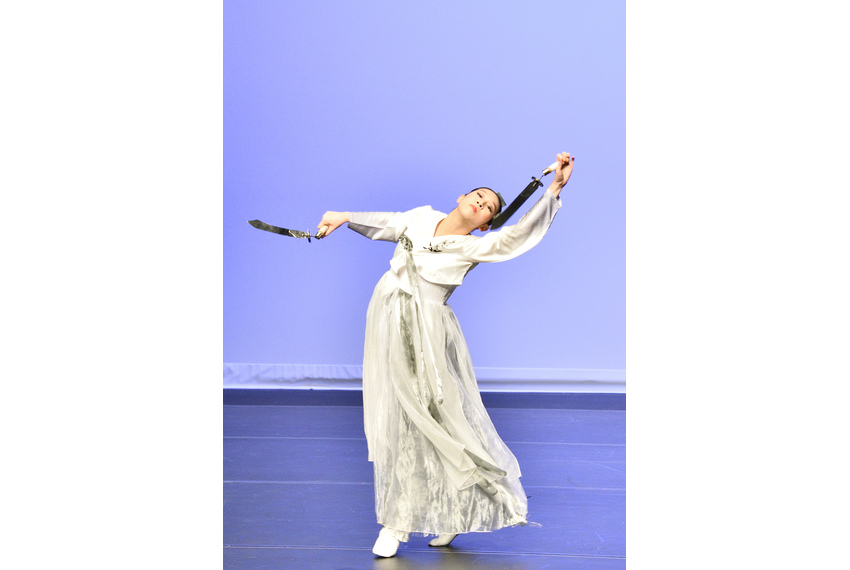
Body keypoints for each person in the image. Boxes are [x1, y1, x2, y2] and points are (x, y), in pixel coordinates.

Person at [317, 152, 575, 558]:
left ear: (486, 223)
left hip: (427, 330)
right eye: (478, 196)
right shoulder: (421, 218)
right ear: (461, 197)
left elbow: (517, 235)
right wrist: (344, 216)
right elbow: (388, 222)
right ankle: (426, 517)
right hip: (388, 318)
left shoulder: (475, 245)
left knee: (433, 418)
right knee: (397, 417)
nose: (482, 203)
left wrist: (554, 188)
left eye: (489, 207)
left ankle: (404, 522)